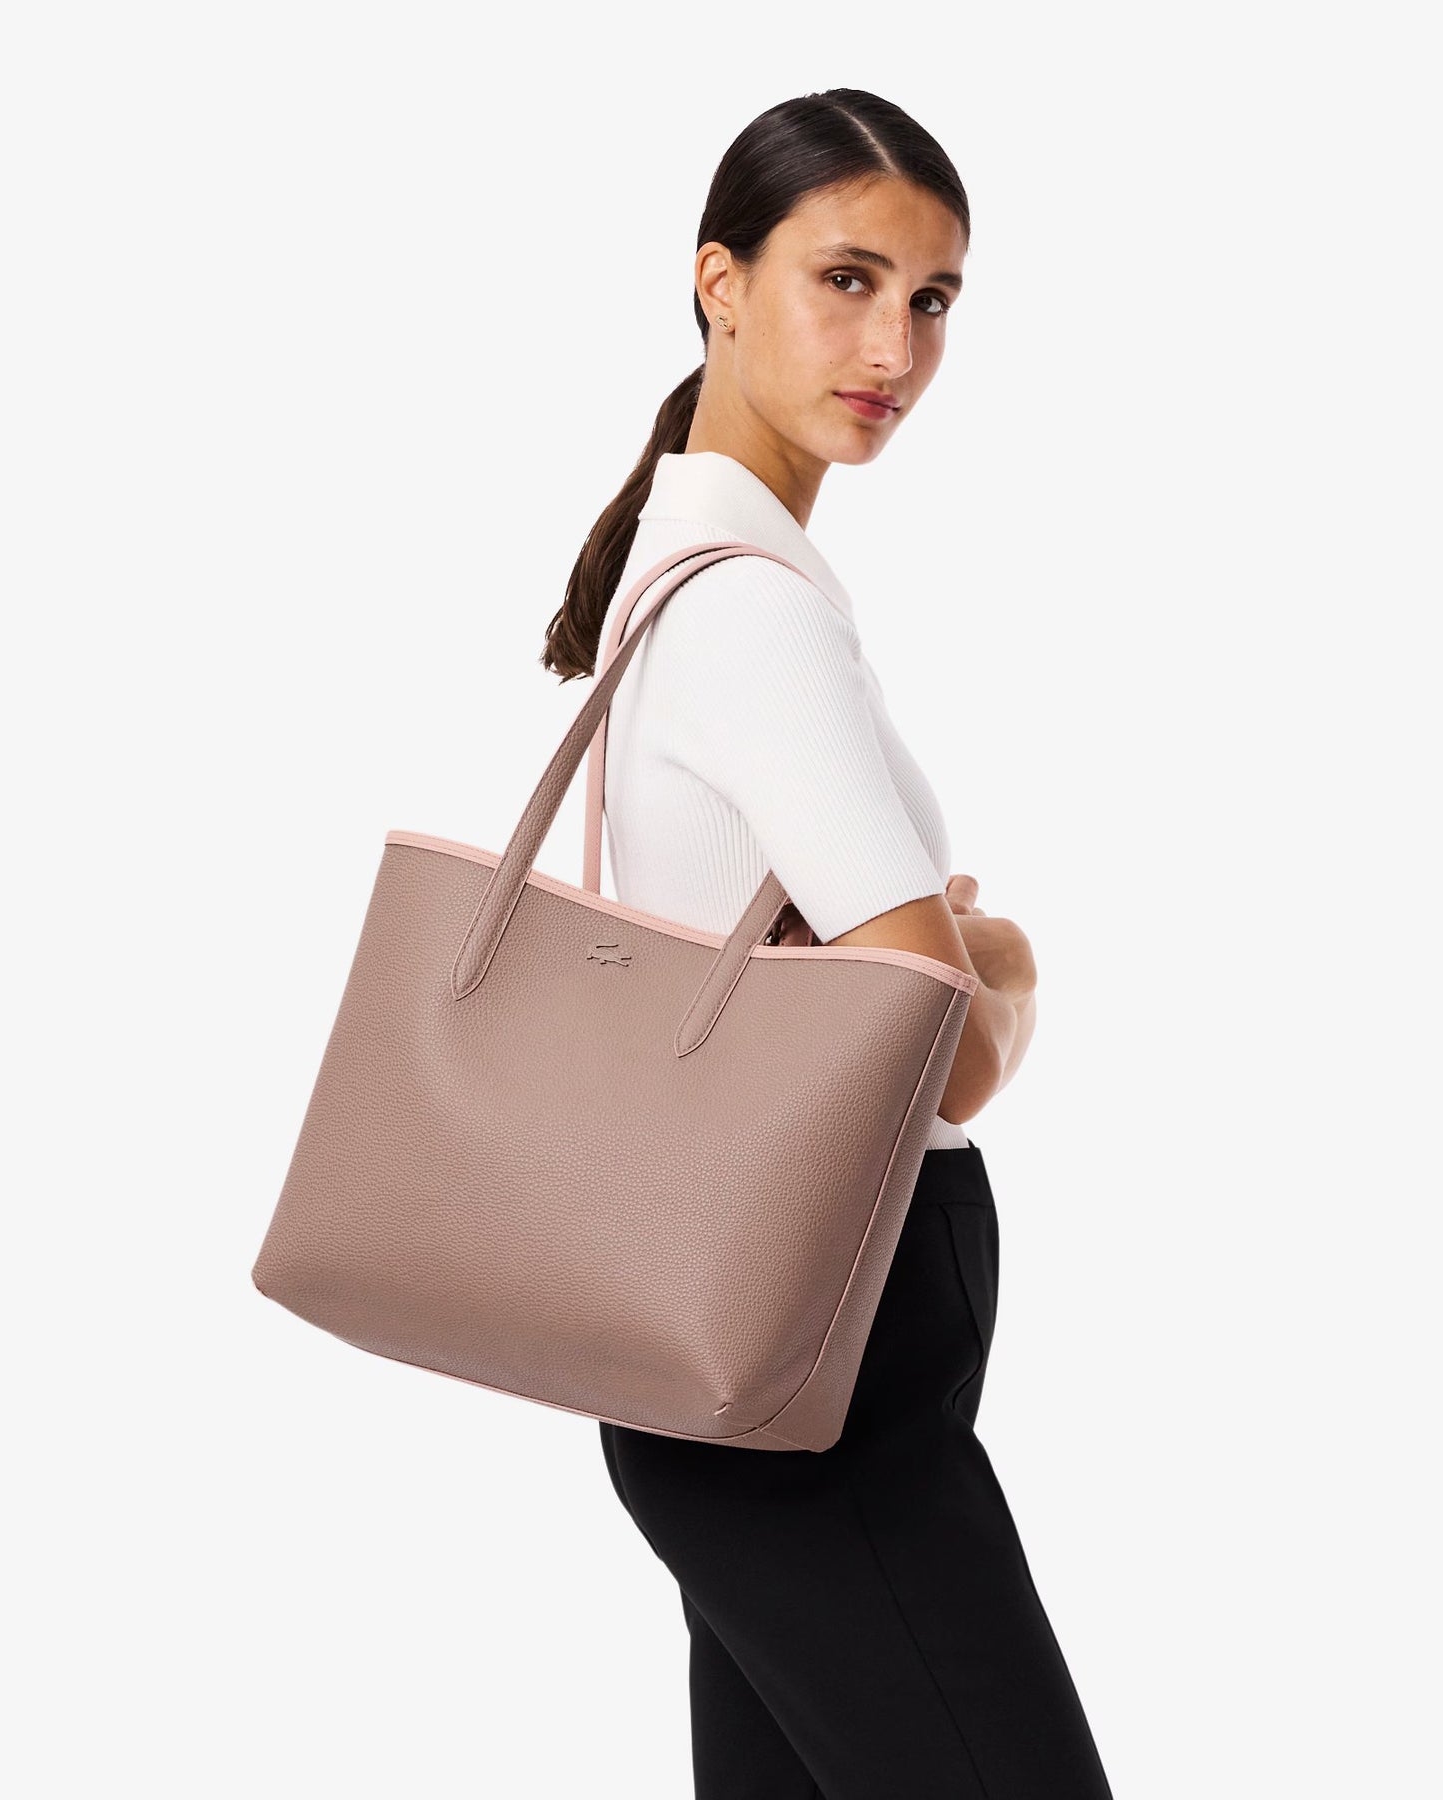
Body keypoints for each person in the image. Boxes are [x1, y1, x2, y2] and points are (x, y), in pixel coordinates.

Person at [541, 88, 1115, 1800]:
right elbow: (949, 1050)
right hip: (822, 1373)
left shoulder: (700, 564)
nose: (896, 347)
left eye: (932, 299)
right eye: (847, 280)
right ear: (718, 281)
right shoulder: (751, 612)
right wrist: (1005, 960)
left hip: (758, 1353)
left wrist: (926, 957)